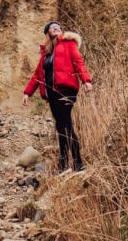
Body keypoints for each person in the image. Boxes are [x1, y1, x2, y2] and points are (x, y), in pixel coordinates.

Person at [22, 20, 93, 172]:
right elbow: (37, 76)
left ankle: (76, 161)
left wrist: (86, 80)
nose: (57, 28)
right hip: (52, 94)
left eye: (59, 27)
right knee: (61, 126)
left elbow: (78, 62)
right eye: (52, 27)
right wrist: (27, 93)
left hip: (66, 90)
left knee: (65, 124)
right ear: (47, 32)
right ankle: (64, 161)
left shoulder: (68, 44)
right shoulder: (46, 53)